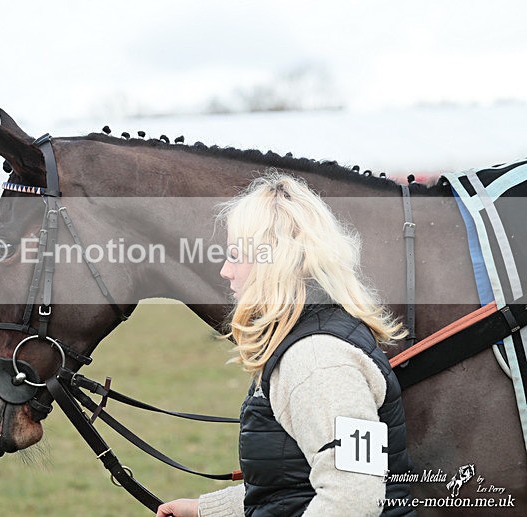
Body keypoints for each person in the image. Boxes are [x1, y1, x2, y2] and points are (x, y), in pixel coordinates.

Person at [157, 172, 415, 517]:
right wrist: (205, 510)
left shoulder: (318, 360)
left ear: (272, 261)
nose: (225, 270)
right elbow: (296, 488)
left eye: (235, 254)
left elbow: (354, 496)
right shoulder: (314, 339)